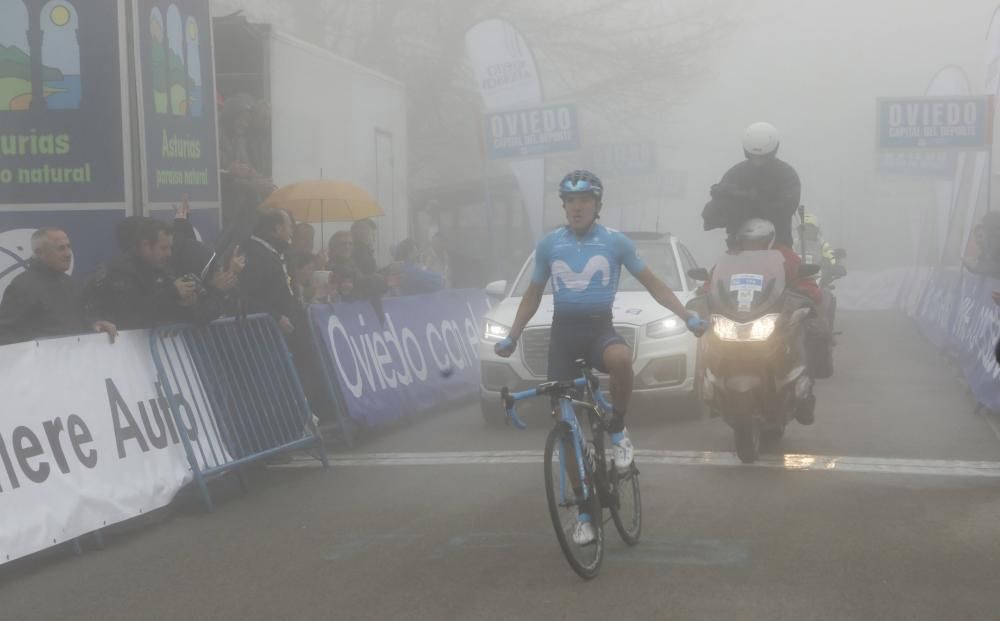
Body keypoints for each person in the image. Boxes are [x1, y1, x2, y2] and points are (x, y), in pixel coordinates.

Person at [494, 170, 706, 546]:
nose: (577, 207)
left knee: (622, 360)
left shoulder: (615, 243)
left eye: (584, 201)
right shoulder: (548, 246)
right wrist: (512, 334)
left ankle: (619, 429)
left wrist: (686, 316)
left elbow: (654, 284)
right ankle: (586, 515)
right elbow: (531, 295)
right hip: (563, 335)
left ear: (597, 205)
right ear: (564, 206)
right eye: (570, 201)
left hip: (598, 330)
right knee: (565, 428)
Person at [83, 218, 219, 330]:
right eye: (164, 248)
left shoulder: (162, 272)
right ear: (146, 246)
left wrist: (190, 304)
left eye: (170, 248)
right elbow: (130, 317)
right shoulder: (120, 272)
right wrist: (171, 293)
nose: (169, 254)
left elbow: (200, 316)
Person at [0, 228, 117, 345]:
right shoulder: (22, 287)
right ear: (40, 252)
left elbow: (77, 319)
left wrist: (94, 324)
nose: (68, 254)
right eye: (60, 248)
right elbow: (5, 332)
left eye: (68, 247)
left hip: (73, 358)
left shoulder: (70, 283)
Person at [703, 122, 801, 248]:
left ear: (773, 152)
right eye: (754, 157)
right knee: (717, 269)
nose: (758, 162)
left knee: (793, 265)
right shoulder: (735, 174)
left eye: (763, 158)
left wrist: (744, 201)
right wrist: (722, 207)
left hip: (778, 250)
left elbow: (787, 206)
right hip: (738, 252)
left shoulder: (786, 175)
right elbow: (712, 215)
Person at [241, 209, 298, 335]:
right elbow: (246, 297)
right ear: (278, 229)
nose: (292, 232)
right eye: (290, 227)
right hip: (261, 334)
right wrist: (275, 317)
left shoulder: (272, 254)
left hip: (279, 330)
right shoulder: (256, 255)